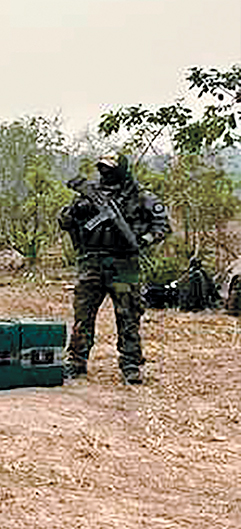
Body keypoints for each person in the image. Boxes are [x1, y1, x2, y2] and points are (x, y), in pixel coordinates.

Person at [58, 153, 171, 385]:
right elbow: (64, 221)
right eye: (101, 168)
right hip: (91, 262)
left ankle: (130, 364)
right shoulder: (89, 193)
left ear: (121, 169)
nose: (105, 172)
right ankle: (76, 362)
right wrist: (75, 211)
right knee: (83, 315)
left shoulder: (141, 196)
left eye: (110, 168)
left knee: (128, 315)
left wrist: (144, 239)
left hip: (124, 265)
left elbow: (163, 225)